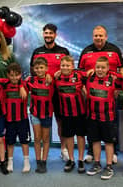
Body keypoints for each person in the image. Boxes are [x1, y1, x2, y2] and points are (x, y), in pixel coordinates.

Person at [78, 25, 123, 163]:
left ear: (106, 36)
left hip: (110, 94)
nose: (98, 38)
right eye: (96, 36)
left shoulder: (114, 50)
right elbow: (80, 71)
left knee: (112, 123)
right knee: (92, 123)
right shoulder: (86, 51)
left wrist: (118, 87)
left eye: (101, 35)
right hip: (91, 94)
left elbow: (122, 70)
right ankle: (91, 151)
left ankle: (114, 151)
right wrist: (83, 88)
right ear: (93, 37)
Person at [30, 23, 70, 161]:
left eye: (50, 33)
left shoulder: (63, 51)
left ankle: (63, 149)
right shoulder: (37, 52)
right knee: (41, 124)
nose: (48, 35)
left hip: (59, 93)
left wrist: (57, 75)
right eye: (46, 33)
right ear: (43, 34)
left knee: (60, 122)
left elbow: (69, 70)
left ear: (55, 35)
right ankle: (40, 155)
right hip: (42, 94)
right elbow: (32, 71)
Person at [85, 56, 118, 180]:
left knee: (109, 142)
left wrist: (114, 73)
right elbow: (75, 72)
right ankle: (97, 163)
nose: (100, 70)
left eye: (103, 67)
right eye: (98, 67)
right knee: (95, 141)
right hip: (93, 117)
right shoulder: (89, 77)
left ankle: (109, 166)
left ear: (108, 68)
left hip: (108, 117)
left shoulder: (113, 79)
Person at [54, 56, 86, 173]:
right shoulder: (56, 78)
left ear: (73, 66)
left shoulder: (79, 76)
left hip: (80, 112)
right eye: (63, 65)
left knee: (81, 136)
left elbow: (94, 75)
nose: (65, 67)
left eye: (68, 65)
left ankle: (81, 160)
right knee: (68, 136)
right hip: (65, 113)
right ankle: (71, 159)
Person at [26, 57, 54, 173]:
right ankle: (38, 161)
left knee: (46, 138)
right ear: (34, 69)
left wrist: (51, 75)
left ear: (46, 68)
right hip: (35, 113)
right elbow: (20, 85)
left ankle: (44, 161)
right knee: (37, 138)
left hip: (47, 113)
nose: (39, 70)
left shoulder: (51, 80)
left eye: (41, 68)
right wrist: (23, 89)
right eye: (37, 68)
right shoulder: (30, 80)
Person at [4, 63, 31, 173]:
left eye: (17, 75)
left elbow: (37, 78)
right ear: (8, 75)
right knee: (10, 142)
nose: (14, 78)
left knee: (24, 141)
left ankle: (26, 162)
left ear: (20, 75)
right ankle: (10, 162)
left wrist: (21, 85)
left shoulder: (25, 85)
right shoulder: (4, 85)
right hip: (9, 120)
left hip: (22, 119)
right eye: (11, 75)